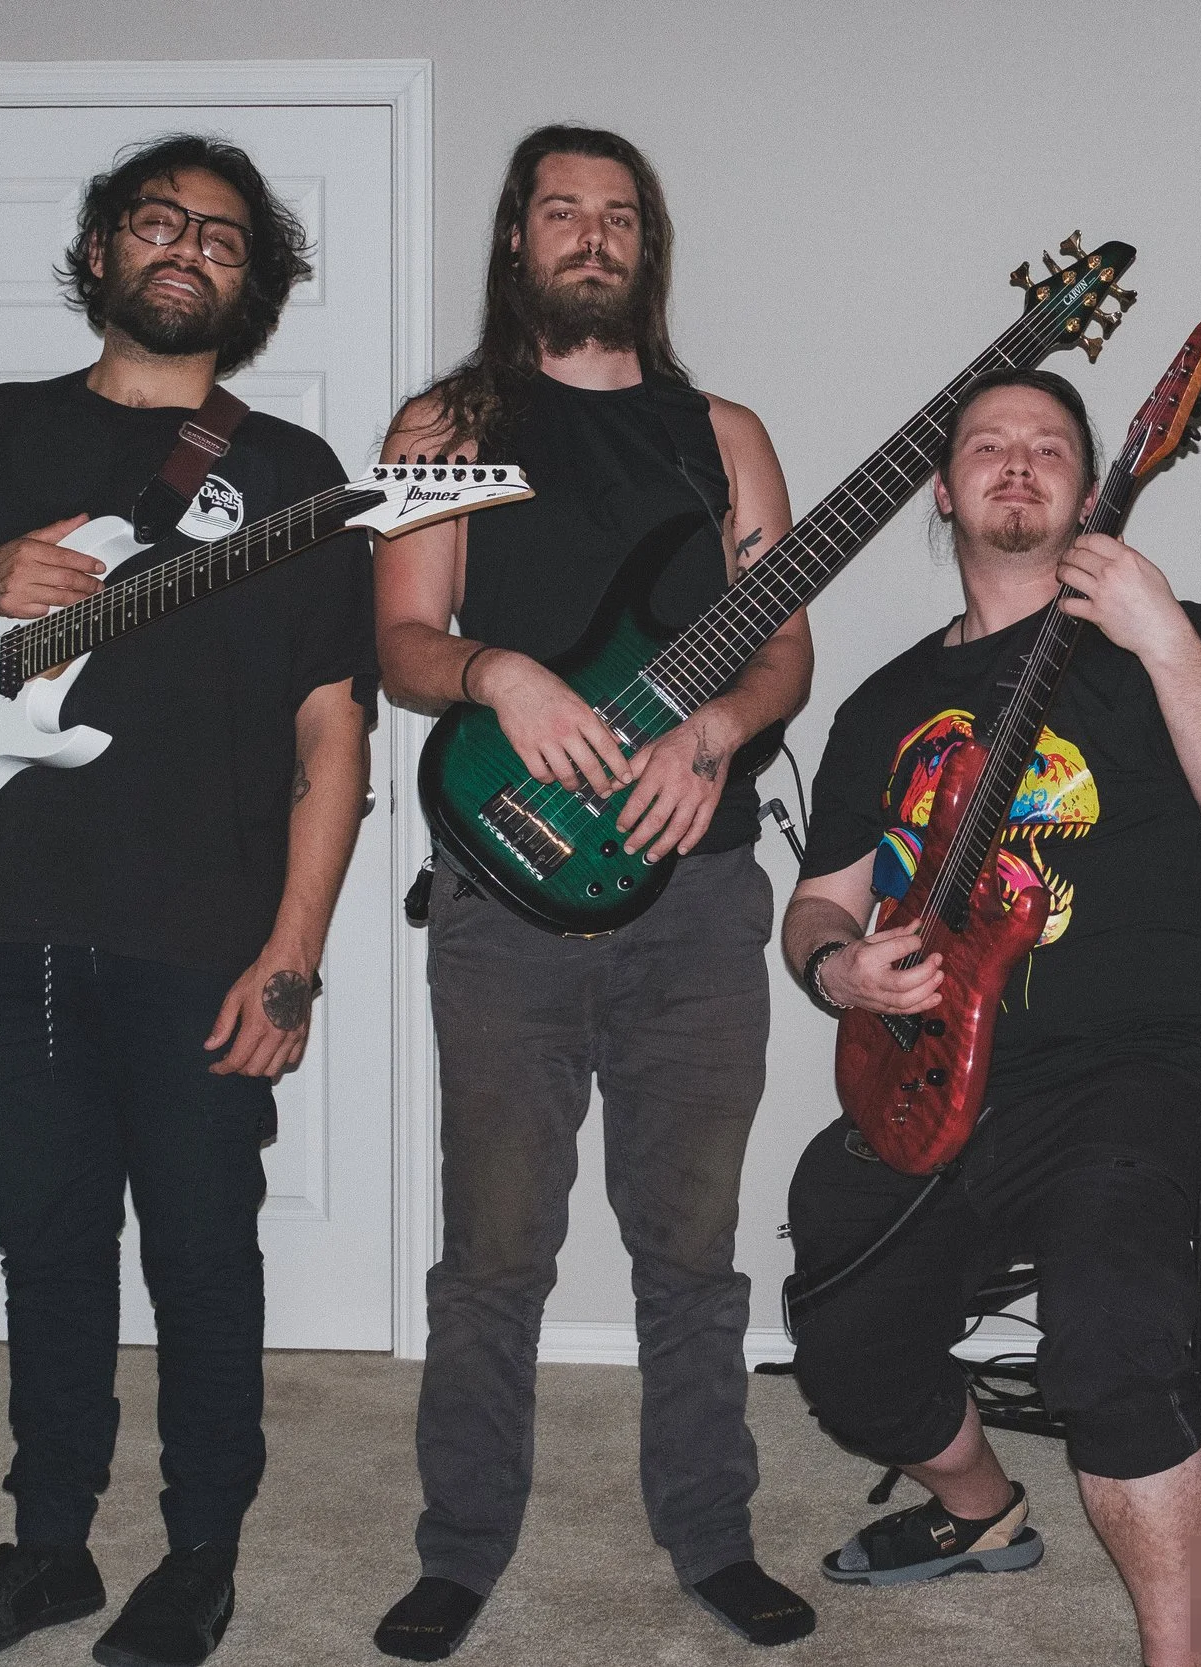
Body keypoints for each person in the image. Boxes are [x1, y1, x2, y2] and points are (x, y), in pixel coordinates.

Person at [0, 135, 374, 1667]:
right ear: (105, 249)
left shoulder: (298, 480)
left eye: (226, 237)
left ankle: (201, 1553)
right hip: (1, 916)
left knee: (203, 1248)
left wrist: (296, 953)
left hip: (202, 928)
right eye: (159, 220)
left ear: (254, 286)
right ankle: (47, 1545)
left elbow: (338, 731)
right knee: (43, 1239)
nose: (189, 247)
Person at [368, 125, 815, 1659]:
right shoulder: (447, 422)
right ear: (518, 239)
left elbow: (782, 647)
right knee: (495, 1248)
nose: (592, 235)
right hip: (505, 892)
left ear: (648, 248)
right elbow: (403, 640)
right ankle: (462, 1548)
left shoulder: (725, 434)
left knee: (690, 1248)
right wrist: (500, 673)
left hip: (698, 894)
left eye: (620, 216)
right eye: (563, 210)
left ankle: (712, 1536)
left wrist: (721, 730)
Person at [780, 368, 1201, 1667]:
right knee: (841, 1330)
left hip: (1124, 1064)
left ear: (1095, 479)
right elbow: (817, 906)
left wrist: (1165, 629)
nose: (1017, 461)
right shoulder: (882, 704)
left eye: (1049, 444)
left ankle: (1184, 1651)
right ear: (941, 493)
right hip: (928, 1067)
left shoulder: (1157, 641)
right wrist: (843, 971)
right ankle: (980, 1507)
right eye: (986, 445)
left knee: (1118, 1331)